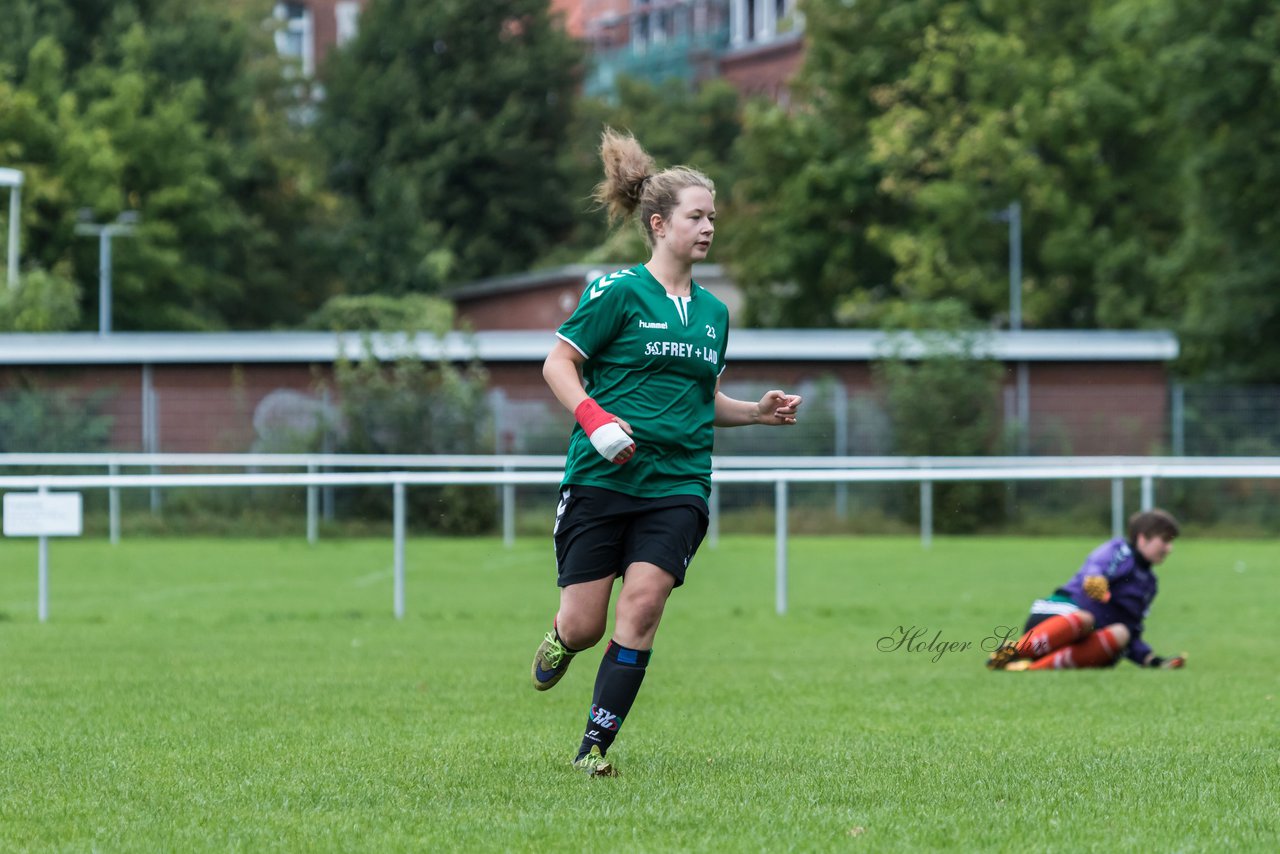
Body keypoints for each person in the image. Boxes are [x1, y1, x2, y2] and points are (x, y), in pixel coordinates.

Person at [529, 128, 803, 777]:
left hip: (677, 485)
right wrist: (595, 421)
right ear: (659, 223)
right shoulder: (617, 292)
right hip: (600, 478)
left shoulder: (714, 313)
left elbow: (699, 402)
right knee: (586, 624)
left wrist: (757, 414)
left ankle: (592, 749)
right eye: (697, 216)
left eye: (713, 217)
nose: (709, 227)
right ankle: (561, 639)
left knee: (645, 605)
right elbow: (558, 364)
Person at [986, 508, 1187, 672]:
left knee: (1121, 634)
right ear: (1143, 539)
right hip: (1056, 616)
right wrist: (1096, 581)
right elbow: (1096, 567)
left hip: (1084, 637)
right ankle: (1013, 651)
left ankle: (1028, 669)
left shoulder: (1149, 584)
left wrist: (1152, 660)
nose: (1169, 548)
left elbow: (1131, 629)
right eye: (1165, 541)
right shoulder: (1120, 551)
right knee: (1086, 619)